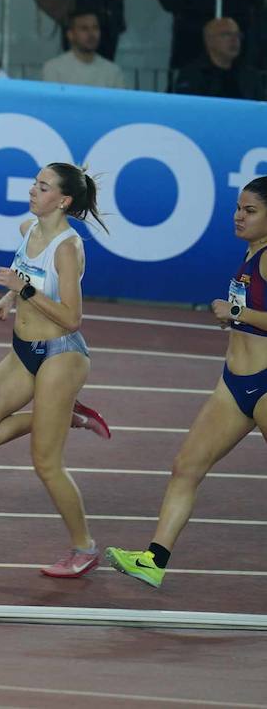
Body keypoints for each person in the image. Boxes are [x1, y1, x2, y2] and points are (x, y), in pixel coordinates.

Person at [106, 177, 267, 588]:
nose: (238, 216)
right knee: (186, 467)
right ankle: (153, 559)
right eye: (238, 207)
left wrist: (237, 313)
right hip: (234, 385)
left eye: (250, 210)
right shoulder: (251, 255)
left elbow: (246, 313)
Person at [0, 163, 113, 578]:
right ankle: (67, 416)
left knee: (45, 463)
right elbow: (29, 277)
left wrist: (20, 289)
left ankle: (85, 548)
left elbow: (72, 317)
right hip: (24, 350)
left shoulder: (67, 246)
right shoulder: (29, 228)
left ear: (63, 200)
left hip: (61, 354)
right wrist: (10, 302)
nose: (32, 190)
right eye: (34, 183)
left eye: (43, 187)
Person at [173, 17, 265, 100]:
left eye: (238, 35)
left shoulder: (249, 75)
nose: (234, 40)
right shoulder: (193, 75)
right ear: (209, 40)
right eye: (227, 34)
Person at [41, 11, 127, 89]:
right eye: (84, 28)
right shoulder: (54, 69)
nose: (91, 34)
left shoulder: (113, 72)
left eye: (95, 28)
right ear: (71, 35)